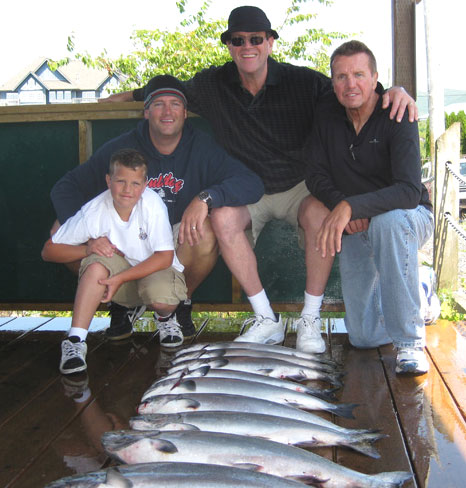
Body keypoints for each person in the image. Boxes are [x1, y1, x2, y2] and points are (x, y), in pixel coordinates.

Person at [103, 6, 418, 352]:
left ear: (270, 43)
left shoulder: (303, 82)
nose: (247, 46)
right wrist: (124, 98)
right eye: (238, 40)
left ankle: (310, 319)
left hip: (300, 185)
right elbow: (169, 89)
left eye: (256, 39)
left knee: (319, 214)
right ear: (229, 46)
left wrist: (394, 90)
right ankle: (266, 318)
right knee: (221, 218)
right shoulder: (213, 84)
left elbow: (351, 87)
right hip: (248, 188)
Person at [50, 75, 264, 343]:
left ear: (185, 113)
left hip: (173, 241)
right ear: (146, 111)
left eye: (175, 104)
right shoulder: (123, 147)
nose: (167, 112)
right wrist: (90, 239)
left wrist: (205, 198)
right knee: (61, 229)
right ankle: (123, 302)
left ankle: (178, 303)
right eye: (159, 104)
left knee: (205, 230)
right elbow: (65, 187)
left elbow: (251, 183)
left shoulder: (202, 147)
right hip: (125, 242)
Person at [303, 40, 433, 375]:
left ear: (376, 79)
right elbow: (315, 175)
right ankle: (419, 291)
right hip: (358, 224)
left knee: (389, 222)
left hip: (408, 218)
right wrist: (343, 206)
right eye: (341, 77)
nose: (351, 84)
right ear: (332, 83)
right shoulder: (327, 116)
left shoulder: (398, 113)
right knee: (361, 337)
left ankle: (409, 343)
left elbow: (408, 192)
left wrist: (351, 205)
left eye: (359, 74)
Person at [42, 148, 188, 373]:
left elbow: (165, 257)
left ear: (145, 184)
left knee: (162, 301)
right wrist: (88, 248)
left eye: (136, 184)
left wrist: (119, 278)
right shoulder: (94, 210)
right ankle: (75, 341)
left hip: (154, 272)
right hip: (123, 279)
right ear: (109, 180)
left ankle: (165, 318)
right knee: (96, 261)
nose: (128, 190)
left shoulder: (152, 204)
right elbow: (49, 251)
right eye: (121, 181)